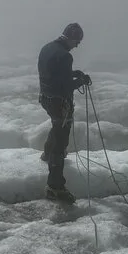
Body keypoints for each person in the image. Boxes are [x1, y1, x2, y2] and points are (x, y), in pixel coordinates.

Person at [37, 22, 91, 204]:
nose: (77, 46)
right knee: (61, 141)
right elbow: (65, 85)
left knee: (56, 125)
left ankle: (46, 153)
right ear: (72, 39)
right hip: (59, 102)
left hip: (46, 98)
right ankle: (55, 186)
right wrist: (81, 81)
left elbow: (55, 74)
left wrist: (73, 74)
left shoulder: (47, 48)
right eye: (77, 42)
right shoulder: (65, 56)